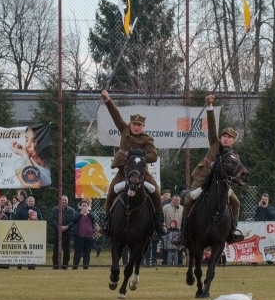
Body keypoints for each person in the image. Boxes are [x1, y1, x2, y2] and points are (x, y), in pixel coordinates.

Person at [99, 89, 167, 237]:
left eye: (139, 125)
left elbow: (153, 155)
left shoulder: (147, 139)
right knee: (111, 191)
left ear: (143, 126)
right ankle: (106, 221)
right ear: (130, 124)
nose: (136, 127)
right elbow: (115, 115)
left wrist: (140, 155)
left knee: (155, 190)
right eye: (134, 124)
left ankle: (160, 222)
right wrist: (107, 100)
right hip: (123, 171)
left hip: (140, 173)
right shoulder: (124, 130)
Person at [176, 94, 242, 245]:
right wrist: (210, 106)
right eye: (224, 135)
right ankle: (183, 232)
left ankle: (232, 231)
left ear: (234, 140)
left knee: (236, 202)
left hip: (221, 187)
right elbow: (212, 125)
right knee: (188, 199)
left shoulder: (234, 156)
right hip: (201, 181)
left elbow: (236, 173)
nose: (225, 138)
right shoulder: (214, 143)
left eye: (229, 137)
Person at [70, 199, 98, 269]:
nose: (84, 207)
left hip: (89, 237)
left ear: (88, 206)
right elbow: (73, 220)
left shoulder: (91, 213)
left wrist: (88, 213)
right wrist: (81, 213)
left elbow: (95, 220)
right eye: (83, 205)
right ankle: (75, 267)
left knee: (87, 253)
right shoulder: (77, 213)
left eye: (85, 205)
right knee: (77, 252)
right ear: (80, 206)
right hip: (79, 237)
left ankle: (85, 267)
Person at [50, 195, 74, 269]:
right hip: (57, 232)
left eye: (65, 200)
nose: (64, 201)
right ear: (60, 201)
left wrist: (67, 227)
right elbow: (52, 220)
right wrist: (58, 226)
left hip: (67, 232)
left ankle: (65, 265)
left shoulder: (71, 210)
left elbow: (73, 221)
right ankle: (55, 265)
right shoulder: (55, 210)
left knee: (67, 250)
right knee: (56, 249)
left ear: (68, 201)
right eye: (63, 200)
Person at [162, 194, 183, 264]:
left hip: (178, 232)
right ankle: (165, 263)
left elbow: (183, 220)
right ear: (172, 199)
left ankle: (179, 263)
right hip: (167, 232)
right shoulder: (165, 208)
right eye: (175, 200)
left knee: (178, 249)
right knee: (166, 249)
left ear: (180, 201)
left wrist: (181, 229)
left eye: (178, 200)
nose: (176, 201)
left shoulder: (182, 209)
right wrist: (165, 227)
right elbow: (162, 219)